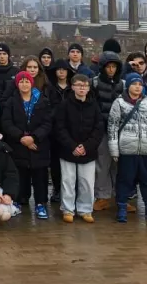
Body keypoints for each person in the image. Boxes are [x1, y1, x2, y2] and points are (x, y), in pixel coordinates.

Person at [107, 72, 147, 223]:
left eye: (140, 84)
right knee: (125, 180)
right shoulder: (119, 103)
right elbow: (112, 128)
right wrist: (114, 149)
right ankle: (121, 207)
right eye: (134, 84)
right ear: (128, 86)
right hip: (127, 149)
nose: (138, 87)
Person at [0, 71, 51, 219]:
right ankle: (19, 201)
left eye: (26, 81)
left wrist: (34, 137)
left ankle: (41, 204)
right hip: (18, 144)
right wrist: (22, 137)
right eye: (21, 81)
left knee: (40, 176)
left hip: (38, 145)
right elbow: (6, 122)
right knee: (20, 174)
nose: (24, 84)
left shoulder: (42, 100)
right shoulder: (11, 101)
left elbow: (47, 123)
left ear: (31, 83)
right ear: (17, 84)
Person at [53, 74, 105, 223]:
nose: (82, 88)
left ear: (89, 88)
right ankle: (68, 209)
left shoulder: (94, 105)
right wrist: (72, 146)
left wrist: (86, 146)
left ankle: (85, 210)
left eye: (85, 85)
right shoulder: (64, 105)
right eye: (79, 85)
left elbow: (98, 128)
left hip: (88, 151)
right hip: (68, 150)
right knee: (68, 181)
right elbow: (60, 128)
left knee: (87, 182)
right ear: (73, 86)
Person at [91, 50, 124, 212]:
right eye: (108, 66)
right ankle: (102, 196)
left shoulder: (123, 84)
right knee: (102, 163)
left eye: (114, 67)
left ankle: (121, 197)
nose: (111, 70)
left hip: (120, 130)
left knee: (119, 165)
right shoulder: (95, 83)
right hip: (102, 129)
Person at [42, 59, 74, 204]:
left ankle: (69, 190)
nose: (61, 72)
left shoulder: (73, 88)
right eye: (58, 69)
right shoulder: (49, 88)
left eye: (64, 69)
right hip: (53, 130)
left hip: (70, 130)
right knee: (54, 163)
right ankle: (56, 189)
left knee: (69, 161)